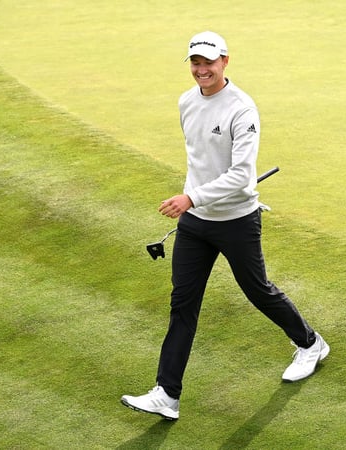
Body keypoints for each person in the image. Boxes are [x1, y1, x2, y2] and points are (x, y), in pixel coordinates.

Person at [121, 31, 329, 420]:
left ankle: (310, 343)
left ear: (225, 62)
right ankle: (167, 394)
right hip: (195, 224)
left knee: (258, 291)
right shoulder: (186, 102)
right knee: (182, 304)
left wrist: (191, 198)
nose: (202, 70)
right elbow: (199, 162)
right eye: (195, 63)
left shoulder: (242, 109)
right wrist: (191, 201)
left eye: (208, 63)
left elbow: (240, 176)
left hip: (235, 221)